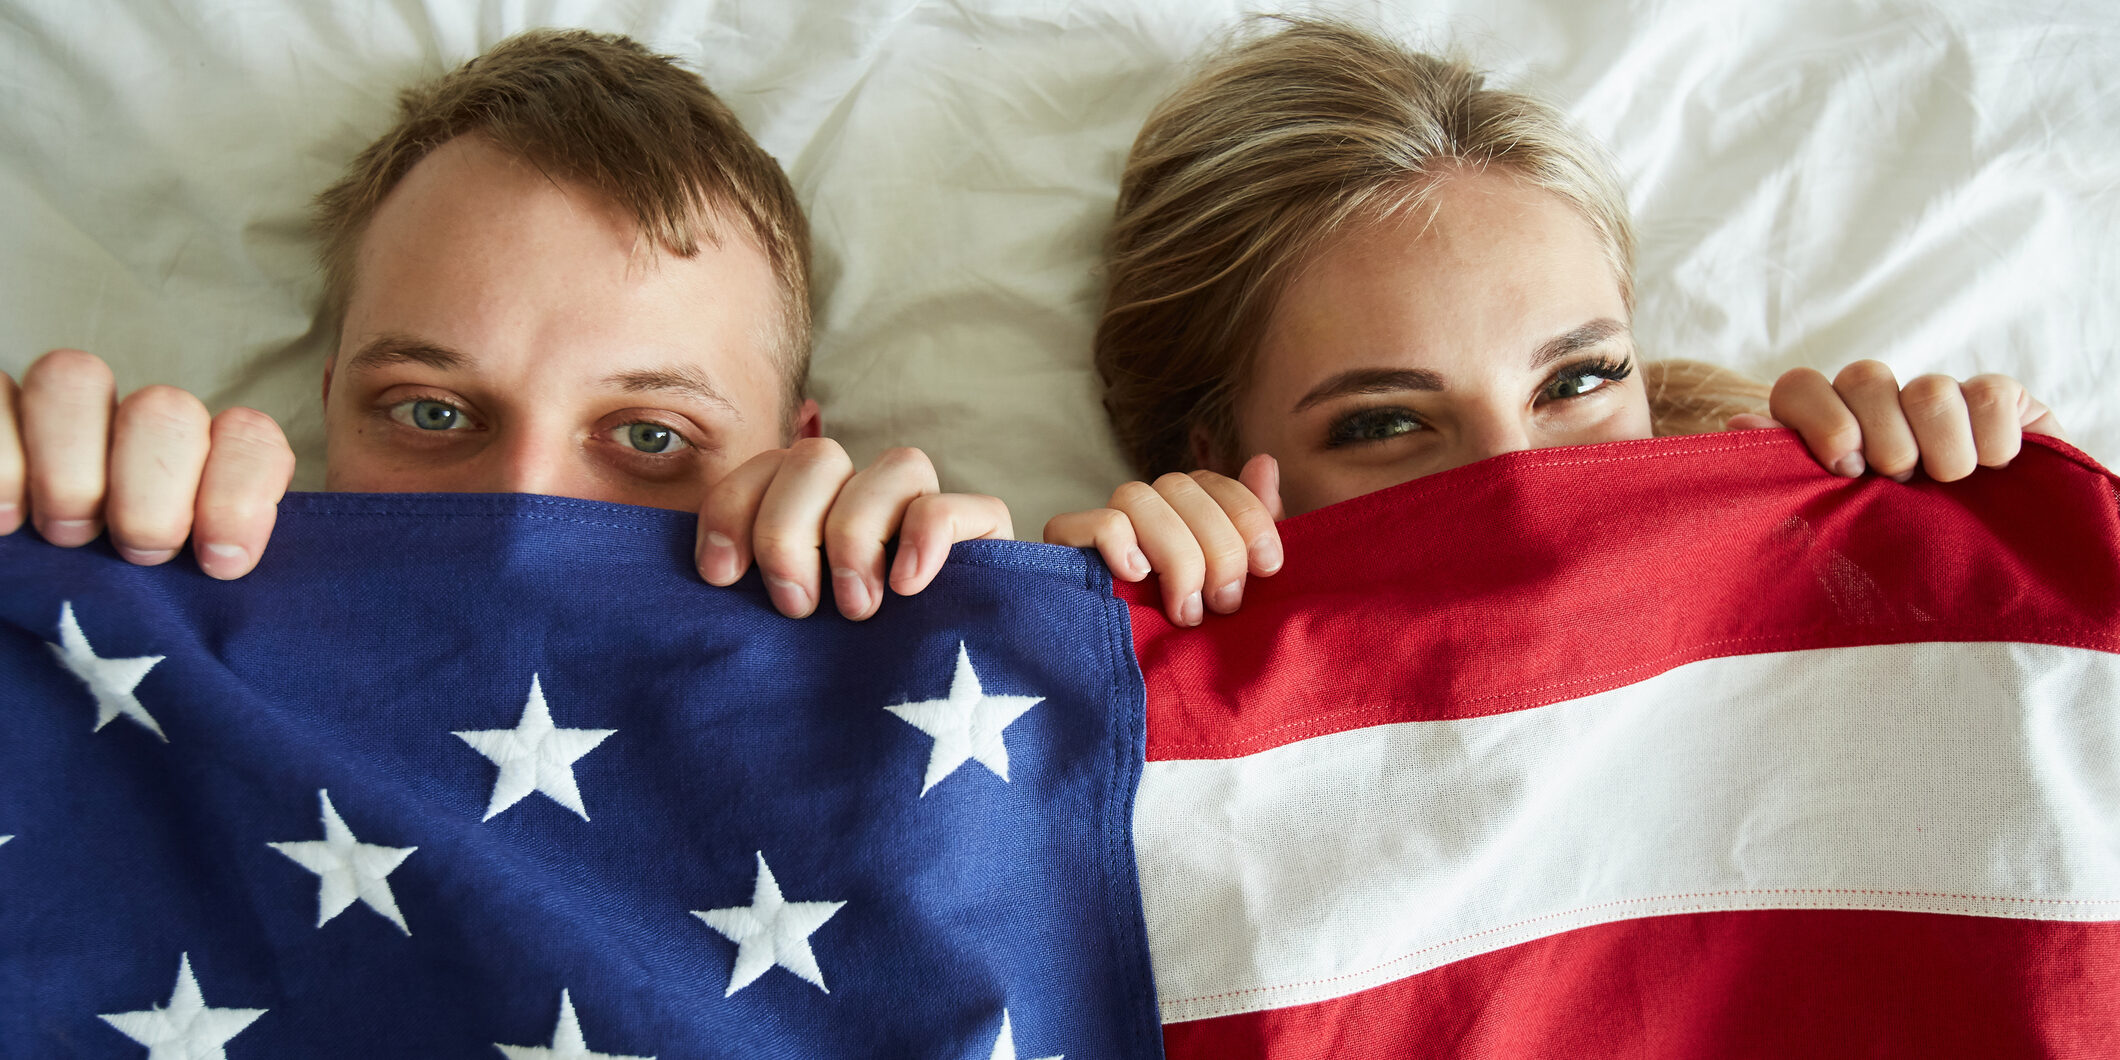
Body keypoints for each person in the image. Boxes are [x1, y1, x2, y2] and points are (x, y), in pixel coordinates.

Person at [1044, 17, 2064, 627]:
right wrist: (1089, 637)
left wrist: (2001, 547)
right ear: (1212, 455)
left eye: (1576, 381)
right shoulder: (1133, 695)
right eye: (1382, 422)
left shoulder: (1832, 584)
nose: (1517, 483)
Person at [0, 29, 1009, 622]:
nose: (519, 511)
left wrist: (984, 628)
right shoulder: (144, 622)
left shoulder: (909, 684)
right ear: (329, 406)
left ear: (798, 453)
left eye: (651, 436)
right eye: (431, 413)